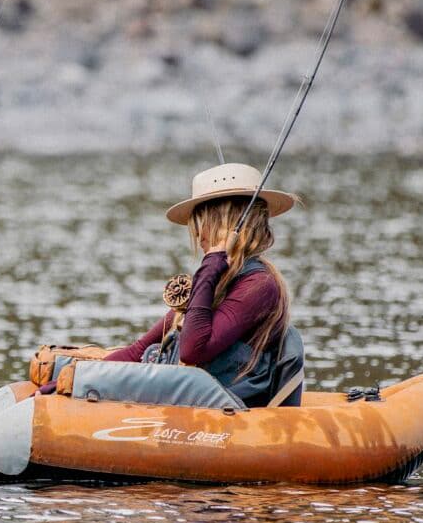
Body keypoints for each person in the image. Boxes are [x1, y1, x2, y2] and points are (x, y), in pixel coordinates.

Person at [91, 163, 299, 408]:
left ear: (229, 224)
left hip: (231, 417)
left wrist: (210, 266)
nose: (200, 237)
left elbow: (192, 351)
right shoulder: (217, 282)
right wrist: (84, 379)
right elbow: (139, 350)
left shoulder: (259, 285)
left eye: (204, 224)